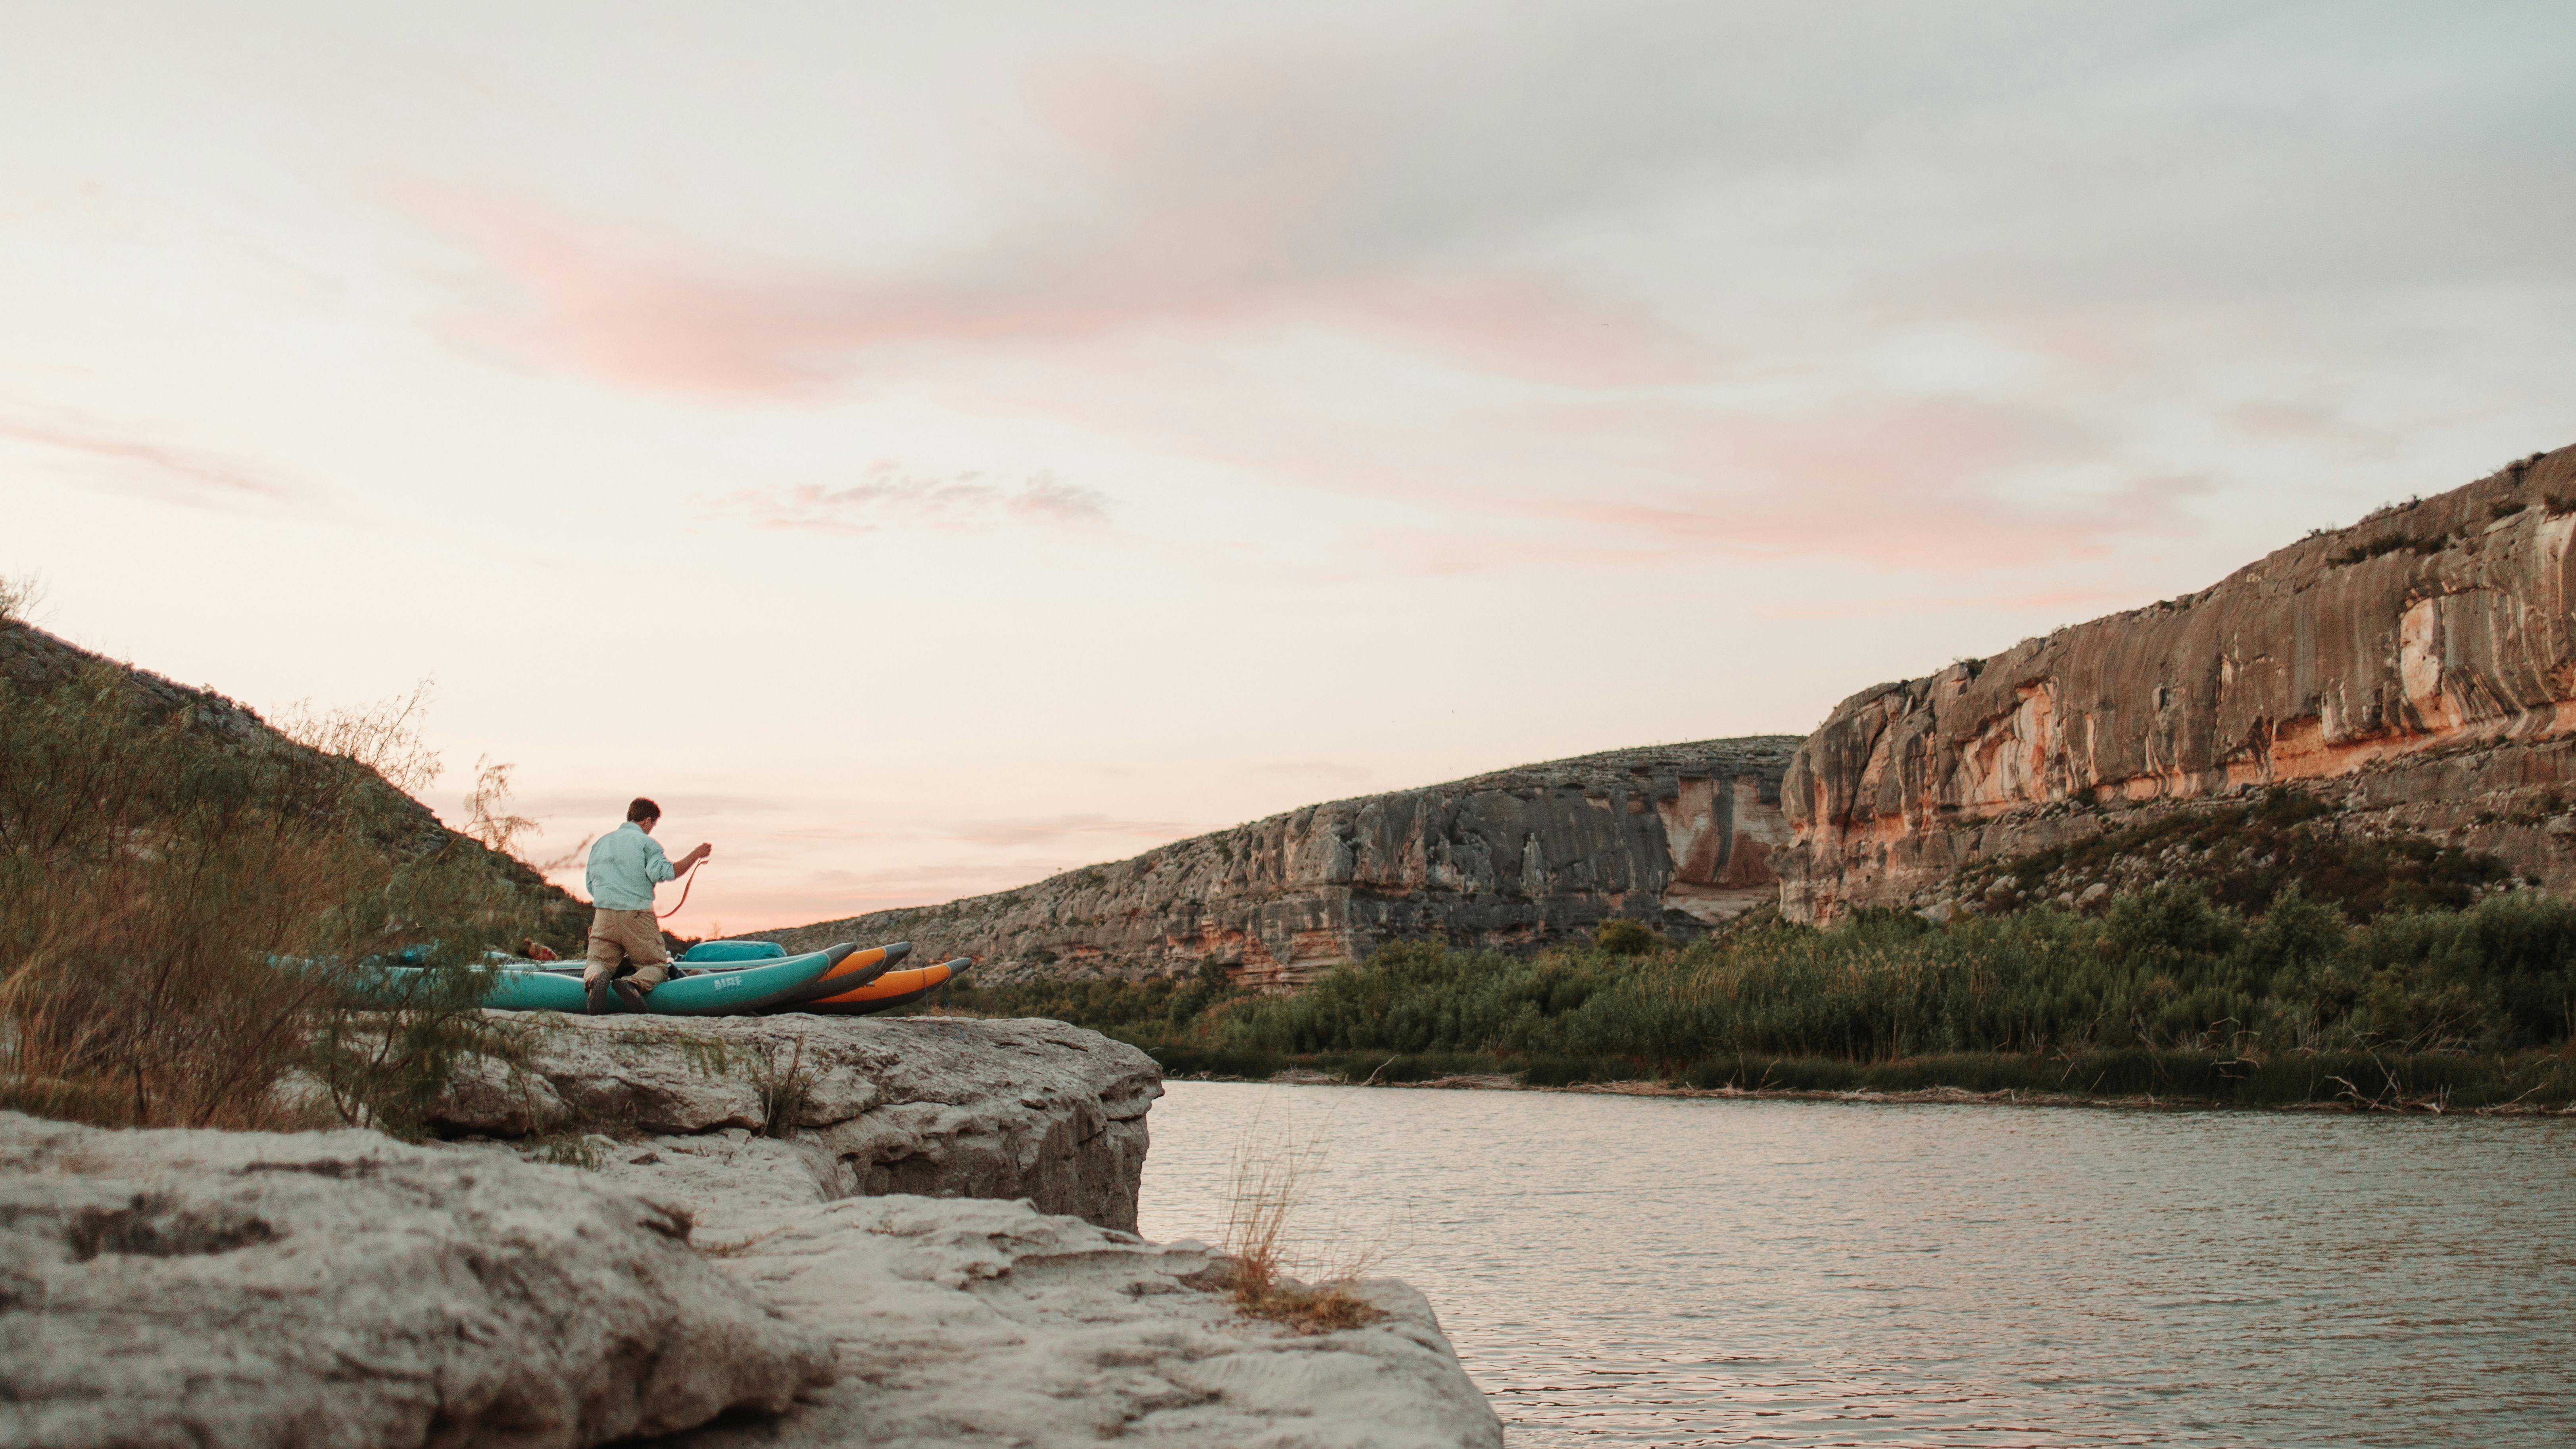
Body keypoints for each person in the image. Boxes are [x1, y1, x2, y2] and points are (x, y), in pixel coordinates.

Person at [582, 796, 711, 1014]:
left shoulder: (601, 844)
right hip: (637, 916)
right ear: (648, 821)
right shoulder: (647, 844)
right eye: (654, 825)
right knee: (656, 966)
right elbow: (668, 872)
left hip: (604, 914)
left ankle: (595, 980)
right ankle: (633, 984)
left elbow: (590, 885)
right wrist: (696, 854)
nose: (652, 830)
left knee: (598, 961)